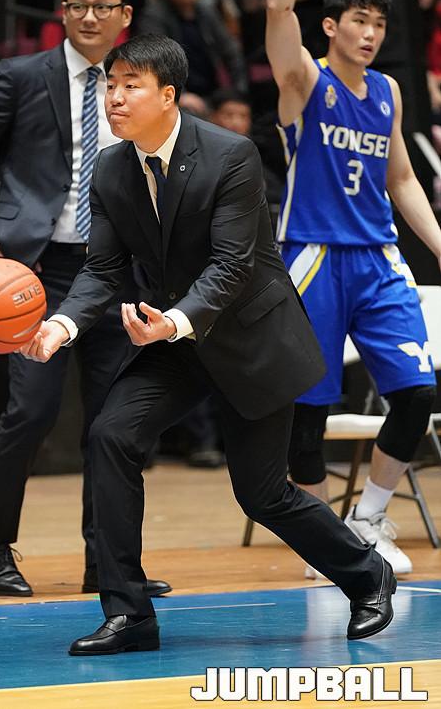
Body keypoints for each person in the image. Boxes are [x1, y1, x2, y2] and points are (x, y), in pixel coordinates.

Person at [20, 33, 396, 654]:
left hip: (250, 338)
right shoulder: (110, 168)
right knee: (111, 435)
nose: (114, 97)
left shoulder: (231, 154)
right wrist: (61, 327)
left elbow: (231, 266)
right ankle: (129, 614)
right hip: (175, 341)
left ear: (168, 95)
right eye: (111, 85)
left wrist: (172, 321)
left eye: (131, 86)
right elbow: (103, 269)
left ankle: (366, 573)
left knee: (262, 494)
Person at [0, 0, 171, 600]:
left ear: (125, 16)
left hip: (117, 272)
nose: (88, 17)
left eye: (102, 6)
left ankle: (109, 564)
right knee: (32, 411)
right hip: (37, 272)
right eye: (77, 6)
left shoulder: (138, 84)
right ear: (62, 12)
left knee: (113, 424)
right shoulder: (21, 75)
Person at [265, 0, 441, 578]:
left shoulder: (389, 91)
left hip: (378, 259)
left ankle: (366, 520)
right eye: (359, 20)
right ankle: (325, 544)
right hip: (312, 256)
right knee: (307, 416)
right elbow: (278, 10)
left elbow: (402, 179)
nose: (370, 33)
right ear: (332, 25)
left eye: (379, 23)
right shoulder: (305, 80)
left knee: (417, 394)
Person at [137, 0, 248, 117]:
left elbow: (232, 53)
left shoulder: (207, 13)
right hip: (173, 95)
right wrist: (180, 95)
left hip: (211, 93)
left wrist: (238, 92)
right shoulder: (153, 16)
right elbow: (153, 62)